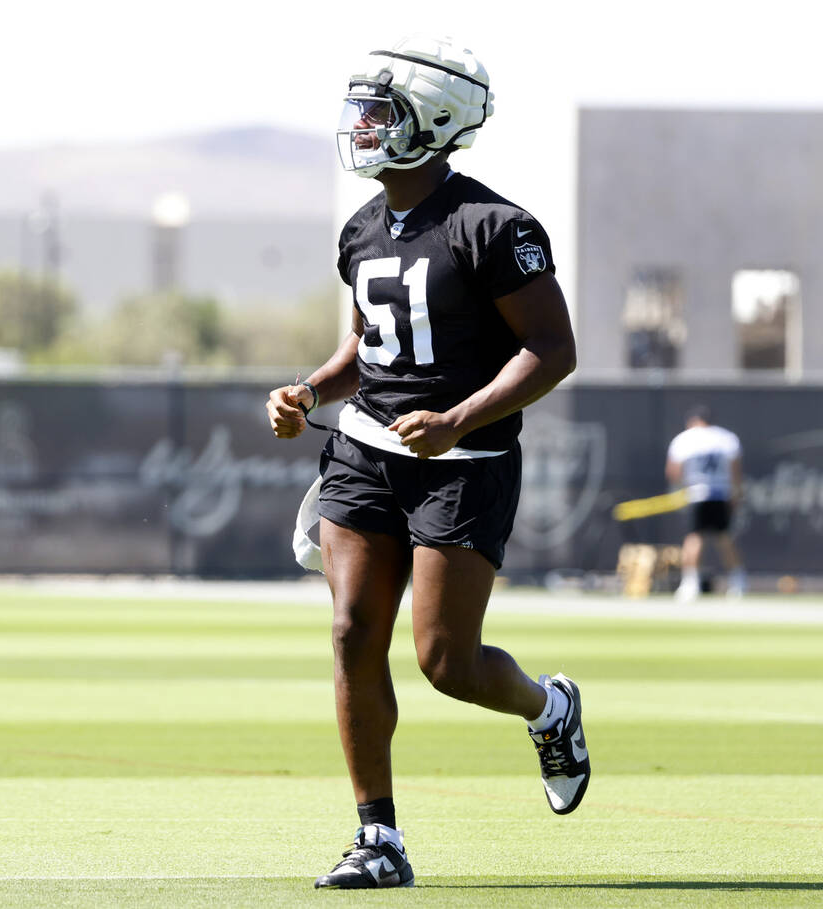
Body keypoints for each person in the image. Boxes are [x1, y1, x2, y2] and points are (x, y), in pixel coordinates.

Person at [265, 35, 586, 890]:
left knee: (446, 661)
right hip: (366, 453)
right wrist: (308, 390)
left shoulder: (498, 225)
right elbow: (372, 343)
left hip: (465, 460)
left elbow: (552, 350)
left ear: (434, 121)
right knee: (349, 634)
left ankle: (549, 708)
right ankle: (379, 839)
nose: (363, 127)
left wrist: (458, 418)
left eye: (382, 112)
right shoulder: (363, 226)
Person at [666, 405, 745, 600]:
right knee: (724, 538)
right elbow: (735, 472)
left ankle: (690, 584)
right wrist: (735, 494)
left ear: (693, 421)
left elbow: (673, 472)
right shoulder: (726, 438)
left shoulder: (685, 439)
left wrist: (682, 489)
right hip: (721, 493)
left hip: (697, 493)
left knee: (695, 538)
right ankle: (738, 582)